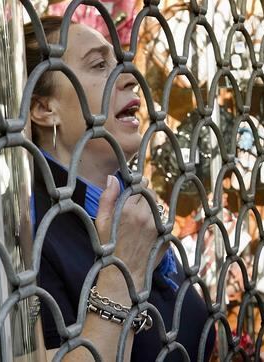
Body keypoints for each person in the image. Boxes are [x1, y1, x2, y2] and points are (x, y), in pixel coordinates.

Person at [24, 16, 215, 361]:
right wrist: (122, 270)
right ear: (43, 108)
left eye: (120, 62)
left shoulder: (133, 203)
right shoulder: (32, 234)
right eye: (99, 65)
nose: (130, 77)